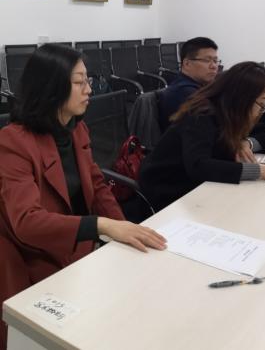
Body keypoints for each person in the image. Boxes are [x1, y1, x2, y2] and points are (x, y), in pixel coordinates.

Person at [0, 45, 167, 347]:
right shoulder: (13, 142)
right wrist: (103, 226)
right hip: (35, 258)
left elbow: (97, 186)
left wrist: (123, 230)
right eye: (79, 82)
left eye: (87, 80)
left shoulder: (77, 129)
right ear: (52, 87)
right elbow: (26, 222)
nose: (89, 89)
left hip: (79, 250)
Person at [139, 62, 265, 212]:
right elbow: (199, 166)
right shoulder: (202, 115)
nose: (262, 111)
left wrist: (246, 143)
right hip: (169, 190)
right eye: (261, 104)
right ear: (243, 98)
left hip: (201, 186)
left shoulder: (233, 113)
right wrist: (261, 171)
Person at [158, 37, 220, 130]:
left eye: (215, 61)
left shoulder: (199, 87)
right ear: (187, 64)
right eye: (207, 60)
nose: (214, 66)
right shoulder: (184, 93)